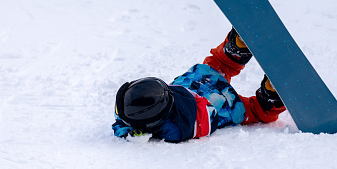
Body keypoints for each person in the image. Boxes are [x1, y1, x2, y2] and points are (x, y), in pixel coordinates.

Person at [112, 28, 286, 142]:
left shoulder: (170, 128)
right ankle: (236, 47)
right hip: (192, 85)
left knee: (254, 111)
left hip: (220, 103)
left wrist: (135, 134)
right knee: (218, 65)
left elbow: (128, 128)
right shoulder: (171, 126)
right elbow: (120, 121)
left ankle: (271, 95)